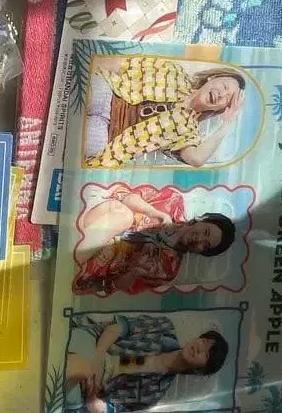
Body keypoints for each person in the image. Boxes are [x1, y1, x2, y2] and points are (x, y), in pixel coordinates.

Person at [72, 184, 235, 296]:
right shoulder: (173, 202)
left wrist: (134, 271)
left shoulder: (167, 271)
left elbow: (111, 286)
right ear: (202, 220)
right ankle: (72, 255)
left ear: (202, 252)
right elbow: (127, 198)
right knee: (124, 215)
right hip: (94, 221)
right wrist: (155, 213)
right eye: (205, 231)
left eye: (205, 245)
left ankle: (72, 255)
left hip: (91, 265)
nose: (199, 239)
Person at [84, 57, 245, 168]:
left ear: (219, 109)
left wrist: (227, 124)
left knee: (86, 136)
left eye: (227, 99)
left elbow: (196, 159)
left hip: (109, 137)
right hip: (110, 93)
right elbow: (121, 64)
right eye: (224, 86)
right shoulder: (174, 72)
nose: (221, 95)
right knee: (90, 96)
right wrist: (85, 66)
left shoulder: (188, 132)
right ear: (213, 78)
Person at [65, 313, 229, 413]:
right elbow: (115, 329)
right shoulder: (163, 328)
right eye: (204, 341)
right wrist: (96, 359)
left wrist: (92, 398)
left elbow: (109, 409)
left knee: (69, 396)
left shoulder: (154, 393)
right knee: (77, 366)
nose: (199, 348)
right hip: (97, 347)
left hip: (91, 387)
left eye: (206, 354)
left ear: (200, 371)